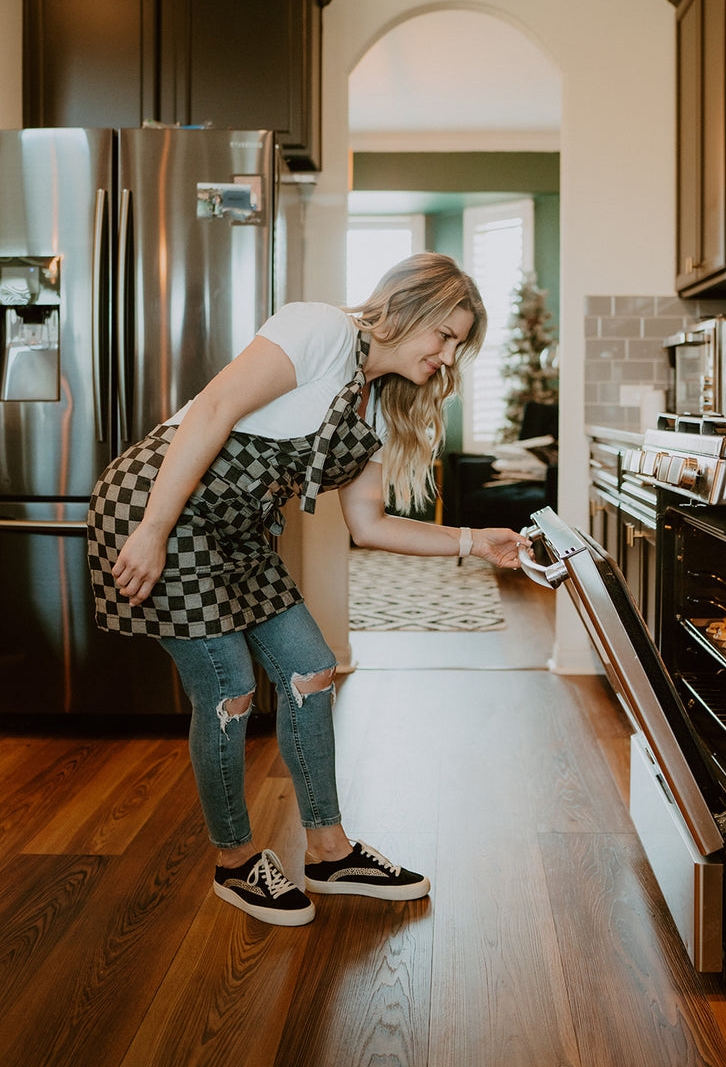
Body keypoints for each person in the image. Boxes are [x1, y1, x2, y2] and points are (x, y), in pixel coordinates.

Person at [86, 253, 529, 927]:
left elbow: (369, 523)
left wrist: (475, 541)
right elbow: (213, 410)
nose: (448, 355)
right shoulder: (319, 329)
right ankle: (235, 865)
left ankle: (329, 850)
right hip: (161, 506)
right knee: (230, 688)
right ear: (406, 308)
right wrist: (150, 531)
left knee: (311, 669)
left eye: (459, 345)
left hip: (237, 531)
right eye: (444, 334)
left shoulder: (376, 409)